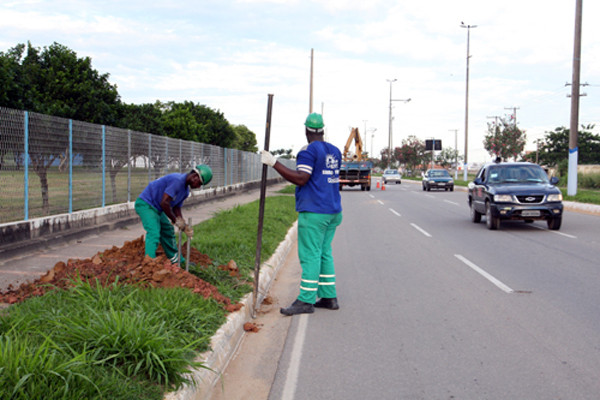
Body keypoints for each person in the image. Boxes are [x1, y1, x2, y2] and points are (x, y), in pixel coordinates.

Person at [261, 113, 343, 316]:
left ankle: (306, 300)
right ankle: (329, 297)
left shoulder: (307, 151)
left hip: (314, 212)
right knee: (324, 253)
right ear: (322, 130)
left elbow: (301, 178)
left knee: (310, 255)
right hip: (333, 211)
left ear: (306, 130)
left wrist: (274, 163)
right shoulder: (335, 151)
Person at [134, 164, 213, 265]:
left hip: (156, 208)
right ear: (194, 177)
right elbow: (164, 202)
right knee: (154, 231)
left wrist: (183, 224)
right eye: (199, 183)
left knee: (168, 230)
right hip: (146, 204)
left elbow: (176, 208)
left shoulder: (185, 191)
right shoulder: (177, 181)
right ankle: (149, 263)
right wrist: (176, 221)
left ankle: (175, 259)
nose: (198, 187)